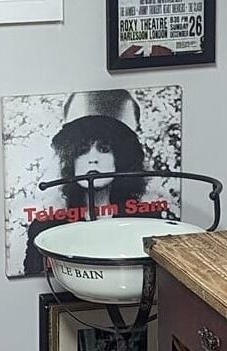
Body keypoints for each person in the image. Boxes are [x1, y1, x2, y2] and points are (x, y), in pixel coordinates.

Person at [22, 89, 174, 276]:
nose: (92, 159)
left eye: (104, 149)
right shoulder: (45, 228)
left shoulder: (148, 222)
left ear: (121, 157)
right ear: (70, 160)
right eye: (82, 150)